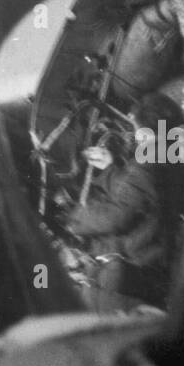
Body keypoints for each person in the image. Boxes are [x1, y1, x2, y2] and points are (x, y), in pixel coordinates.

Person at [67, 133, 165, 312]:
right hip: (126, 265)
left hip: (132, 267)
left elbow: (118, 215)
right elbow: (131, 195)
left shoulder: (151, 158)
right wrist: (109, 169)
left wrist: (74, 218)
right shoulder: (155, 157)